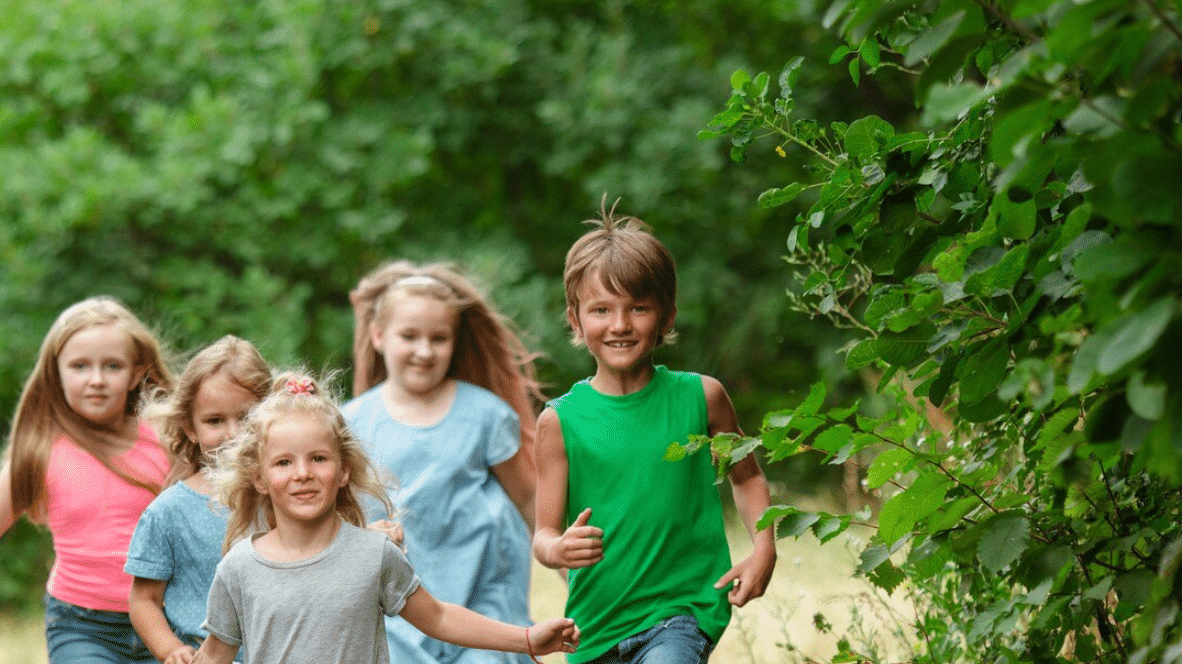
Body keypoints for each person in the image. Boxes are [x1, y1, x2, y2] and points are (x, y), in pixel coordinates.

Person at [193, 372, 580, 664]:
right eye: (283, 462)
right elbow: (214, 657)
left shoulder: (373, 553)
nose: (302, 473)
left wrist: (527, 639)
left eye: (318, 458)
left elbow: (440, 617)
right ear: (259, 478)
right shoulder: (239, 568)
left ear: (344, 470)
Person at [531, 213, 777, 664]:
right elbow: (543, 534)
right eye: (601, 309)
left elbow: (746, 479)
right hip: (597, 626)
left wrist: (764, 548)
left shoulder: (702, 397)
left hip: (682, 611)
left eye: (638, 308)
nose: (620, 324)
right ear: (575, 318)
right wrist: (558, 549)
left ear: (666, 316)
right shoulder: (558, 422)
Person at [0, 297, 174, 663]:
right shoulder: (41, 451)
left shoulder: (166, 441)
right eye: (80, 366)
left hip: (164, 621)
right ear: (56, 373)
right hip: (83, 627)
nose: (96, 380)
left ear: (136, 373)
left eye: (112, 366)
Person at [344, 261, 545, 664]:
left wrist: (572, 573)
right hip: (396, 612)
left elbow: (531, 503)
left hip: (485, 609)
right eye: (409, 336)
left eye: (439, 338)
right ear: (378, 335)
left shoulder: (486, 415)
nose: (424, 351)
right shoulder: (350, 423)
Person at [126, 336, 273, 664]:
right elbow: (143, 600)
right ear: (190, 427)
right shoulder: (169, 512)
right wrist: (171, 650)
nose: (233, 433)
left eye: (247, 418)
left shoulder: (286, 496)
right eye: (214, 421)